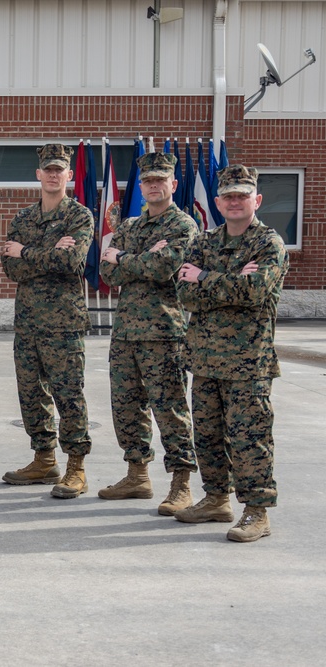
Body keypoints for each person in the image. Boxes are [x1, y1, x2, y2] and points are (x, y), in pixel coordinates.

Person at [174, 165, 289, 542]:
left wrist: (206, 278)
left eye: (243, 195)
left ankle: (257, 511)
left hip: (247, 363)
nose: (236, 201)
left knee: (248, 438)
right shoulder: (204, 242)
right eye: (229, 196)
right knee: (207, 436)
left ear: (256, 200)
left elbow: (254, 292)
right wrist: (232, 281)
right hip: (205, 360)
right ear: (219, 202)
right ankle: (216, 499)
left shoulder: (267, 243)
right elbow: (184, 294)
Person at [97, 152, 198, 514]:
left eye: (161, 180)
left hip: (163, 332)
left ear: (173, 184)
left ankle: (181, 483)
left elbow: (164, 267)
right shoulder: (130, 227)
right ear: (141, 187)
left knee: (169, 408)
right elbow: (107, 275)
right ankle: (137, 475)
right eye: (148, 181)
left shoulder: (183, 226)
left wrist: (124, 258)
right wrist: (136, 258)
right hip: (125, 333)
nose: (154, 186)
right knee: (126, 407)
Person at [1, 144, 94, 499]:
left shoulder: (79, 217)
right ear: (38, 175)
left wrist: (26, 252)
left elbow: (72, 262)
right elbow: (8, 267)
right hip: (27, 321)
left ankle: (76, 467)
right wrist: (49, 254)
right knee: (31, 393)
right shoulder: (24, 218)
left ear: (69, 175)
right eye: (48, 169)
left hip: (64, 323)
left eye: (60, 170)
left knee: (68, 395)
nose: (53, 175)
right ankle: (44, 458)